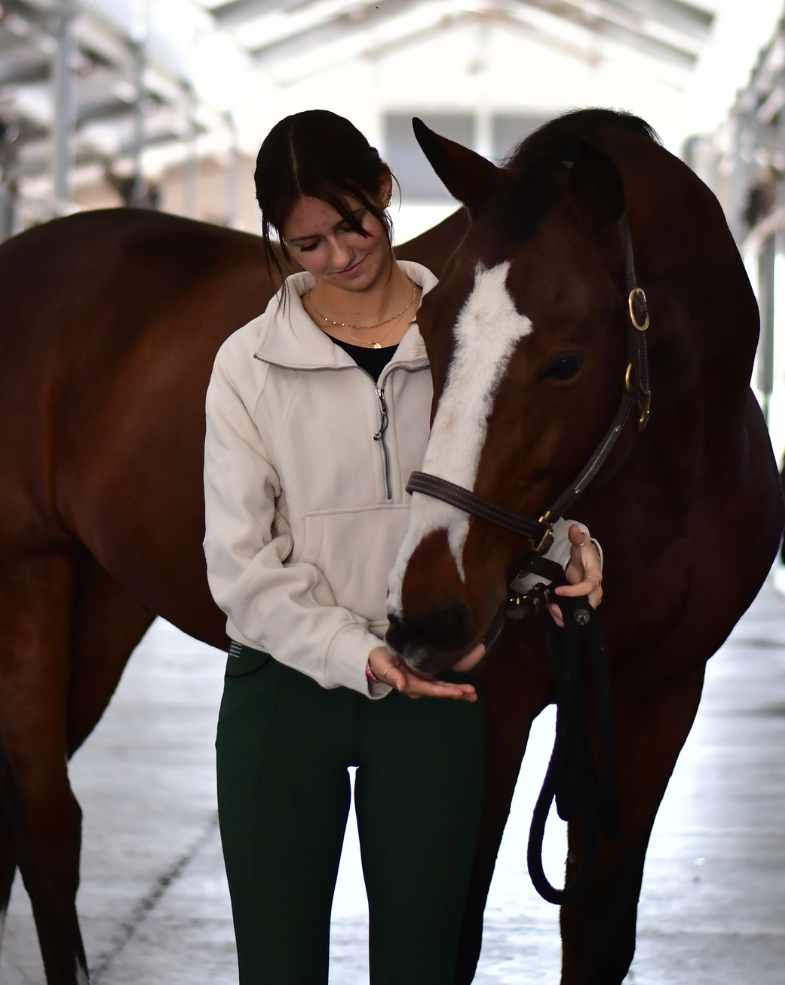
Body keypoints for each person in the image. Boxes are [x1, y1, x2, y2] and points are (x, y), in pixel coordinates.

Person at [203, 109, 603, 985]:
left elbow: (492, 494)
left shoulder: (465, 335)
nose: (340, 255)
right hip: (285, 691)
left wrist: (562, 548)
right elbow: (238, 566)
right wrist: (356, 653)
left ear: (384, 189)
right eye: (307, 243)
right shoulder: (246, 364)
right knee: (276, 971)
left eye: (352, 222)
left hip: (433, 686)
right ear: (280, 241)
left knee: (424, 969)